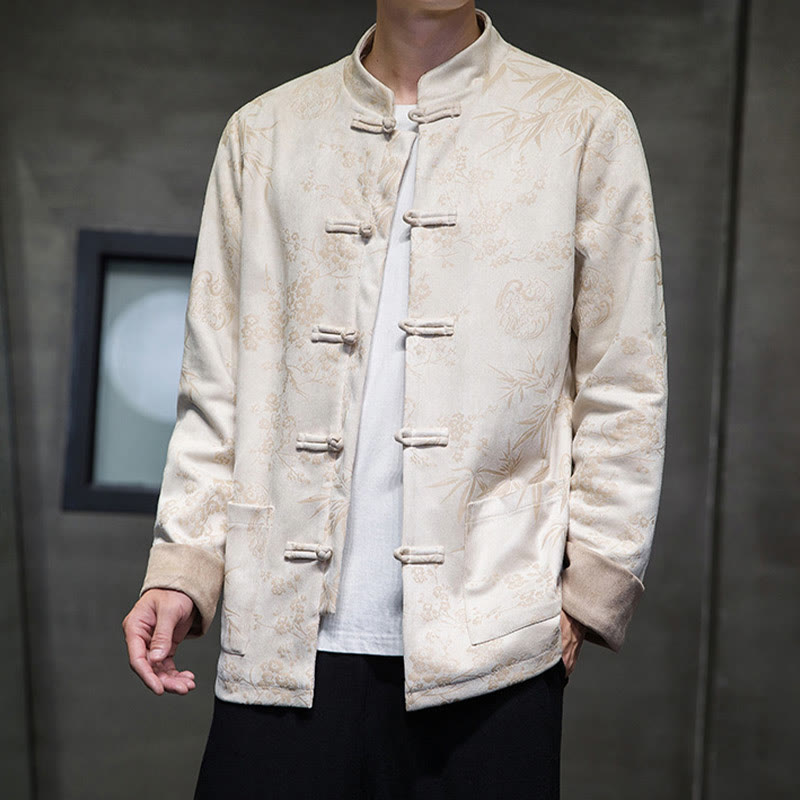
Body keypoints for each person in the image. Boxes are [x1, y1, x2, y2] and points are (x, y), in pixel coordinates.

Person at [122, 2, 667, 797]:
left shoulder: (582, 125)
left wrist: (589, 596)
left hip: (491, 647)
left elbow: (625, 382)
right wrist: (183, 567)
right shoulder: (264, 133)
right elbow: (216, 381)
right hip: (281, 640)